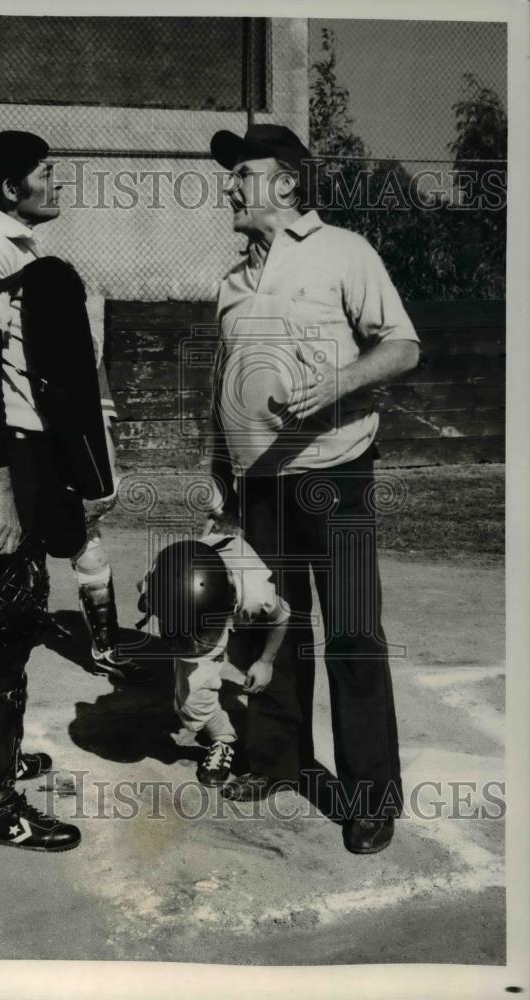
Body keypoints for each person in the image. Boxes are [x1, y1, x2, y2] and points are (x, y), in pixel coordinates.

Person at [207, 124, 420, 854]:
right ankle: (276, 759)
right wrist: (219, 473)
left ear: (288, 182)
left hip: (336, 471)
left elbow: (401, 343)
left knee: (353, 633)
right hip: (258, 484)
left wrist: (337, 382)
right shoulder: (233, 280)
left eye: (242, 172)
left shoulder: (342, 252)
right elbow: (224, 383)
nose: (229, 185)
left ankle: (368, 796)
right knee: (268, 621)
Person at [0, 130, 134, 850]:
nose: (59, 182)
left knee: (4, 610)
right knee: (5, 616)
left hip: (21, 446)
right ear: (12, 188)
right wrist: (0, 491)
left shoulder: (5, 245)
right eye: (47, 172)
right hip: (4, 449)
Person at [137, 533, 290, 786]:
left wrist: (266, 661)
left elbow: (282, 616)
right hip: (198, 592)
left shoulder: (254, 593)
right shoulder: (161, 576)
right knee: (190, 703)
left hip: (232, 592)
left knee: (243, 658)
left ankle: (223, 739)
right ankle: (224, 736)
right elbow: (147, 602)